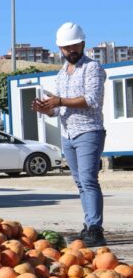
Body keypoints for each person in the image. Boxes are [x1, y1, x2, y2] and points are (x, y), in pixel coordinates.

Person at [32, 22, 107, 246]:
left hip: (88, 131)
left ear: (82, 44)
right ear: (60, 49)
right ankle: (89, 225)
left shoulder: (92, 68)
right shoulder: (62, 73)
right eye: (66, 48)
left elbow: (92, 100)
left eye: (74, 47)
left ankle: (95, 229)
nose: (71, 51)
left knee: (88, 180)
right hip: (68, 134)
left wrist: (60, 101)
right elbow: (59, 109)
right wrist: (47, 109)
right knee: (80, 182)